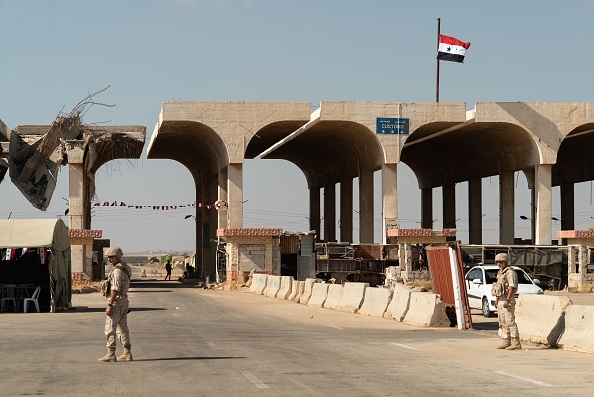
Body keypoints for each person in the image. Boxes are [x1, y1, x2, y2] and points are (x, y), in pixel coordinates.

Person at [98, 246, 133, 362]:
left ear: (117, 257)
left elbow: (115, 289)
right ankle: (127, 352)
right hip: (124, 300)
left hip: (117, 301)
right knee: (123, 327)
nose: (109, 259)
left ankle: (111, 354)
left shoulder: (117, 271)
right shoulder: (125, 268)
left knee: (110, 327)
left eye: (111, 257)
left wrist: (110, 305)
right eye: (108, 257)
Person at [493, 252, 522, 350]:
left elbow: (511, 286)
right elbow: (499, 286)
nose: (498, 264)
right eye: (497, 262)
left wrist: (508, 300)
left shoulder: (510, 272)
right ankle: (506, 341)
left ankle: (516, 342)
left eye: (500, 262)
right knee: (502, 322)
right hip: (501, 299)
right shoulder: (501, 273)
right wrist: (496, 299)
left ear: (505, 262)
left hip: (507, 300)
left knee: (510, 321)